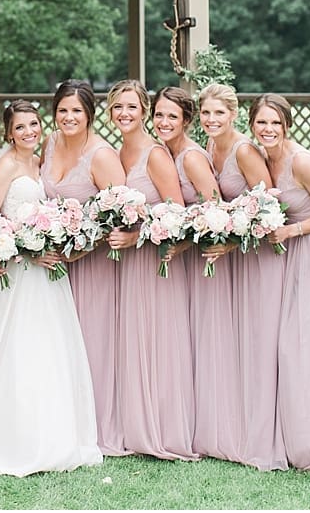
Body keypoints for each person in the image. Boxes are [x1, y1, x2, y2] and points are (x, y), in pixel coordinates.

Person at [0, 101, 102, 476]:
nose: (29, 131)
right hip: (21, 271)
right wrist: (29, 248)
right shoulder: (8, 164)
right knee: (16, 349)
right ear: (8, 132)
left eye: (33, 124)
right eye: (20, 127)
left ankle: (54, 433)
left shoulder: (37, 161)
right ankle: (12, 437)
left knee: (48, 348)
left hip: (45, 275)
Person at [104, 80, 196, 461]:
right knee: (135, 339)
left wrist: (136, 235)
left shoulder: (154, 154)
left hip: (154, 259)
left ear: (143, 111)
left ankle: (164, 427)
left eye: (131, 107)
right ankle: (135, 422)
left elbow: (176, 212)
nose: (124, 114)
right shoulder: (117, 151)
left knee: (160, 339)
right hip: (128, 264)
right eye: (117, 108)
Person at [250, 94, 310, 480]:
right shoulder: (262, 159)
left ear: (286, 124)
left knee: (308, 344)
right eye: (261, 123)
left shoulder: (301, 161)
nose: (267, 129)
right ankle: (295, 434)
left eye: (275, 123)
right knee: (291, 344)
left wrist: (292, 229)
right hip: (291, 256)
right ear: (252, 125)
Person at [39, 79, 126, 456]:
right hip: (52, 265)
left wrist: (81, 246)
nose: (69, 117)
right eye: (62, 110)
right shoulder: (48, 144)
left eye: (76, 111)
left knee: (91, 343)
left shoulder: (102, 155)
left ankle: (96, 424)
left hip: (92, 265)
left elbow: (120, 213)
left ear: (90, 115)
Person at [199, 82, 278, 468]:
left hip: (252, 257)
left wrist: (231, 243)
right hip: (228, 256)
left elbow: (267, 207)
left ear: (233, 115)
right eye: (206, 113)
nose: (211, 120)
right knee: (231, 340)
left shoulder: (244, 151)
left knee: (255, 338)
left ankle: (256, 427)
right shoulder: (211, 146)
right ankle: (227, 418)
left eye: (219, 113)